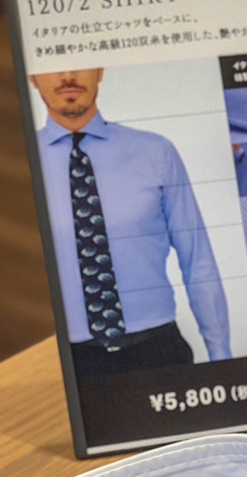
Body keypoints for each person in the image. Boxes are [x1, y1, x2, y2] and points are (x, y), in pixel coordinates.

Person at [30, 67, 231, 376]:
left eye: (78, 61)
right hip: (65, 364)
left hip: (158, 354)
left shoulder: (155, 152)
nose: (68, 75)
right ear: (33, 77)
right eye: (52, 65)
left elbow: (197, 259)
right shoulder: (21, 162)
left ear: (99, 71)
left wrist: (222, 359)